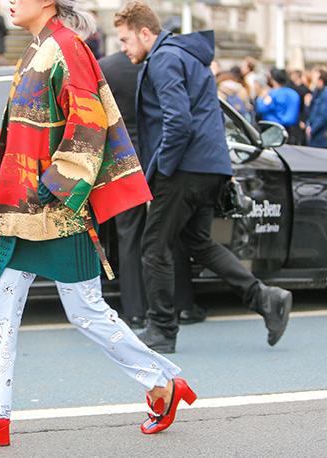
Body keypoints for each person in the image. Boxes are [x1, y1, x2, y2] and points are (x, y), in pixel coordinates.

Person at [0, 0, 196, 449]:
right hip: (22, 208)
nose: (8, 2)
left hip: (56, 210)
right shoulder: (41, 47)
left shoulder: (66, 46)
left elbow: (89, 121)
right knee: (0, 307)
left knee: (85, 311)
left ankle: (161, 382)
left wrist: (57, 184)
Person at [114, 1, 292, 354]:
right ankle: (265, 298)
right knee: (198, 242)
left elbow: (178, 121)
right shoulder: (188, 56)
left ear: (145, 33)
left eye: (125, 39)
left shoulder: (164, 59)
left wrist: (161, 170)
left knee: (154, 247)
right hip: (209, 167)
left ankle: (162, 330)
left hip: (182, 169)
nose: (123, 48)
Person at [98, 50, 200, 329]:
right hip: (161, 155)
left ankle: (135, 310)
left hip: (122, 156)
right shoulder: (165, 63)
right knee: (171, 229)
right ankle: (182, 304)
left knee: (129, 234)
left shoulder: (107, 67)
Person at [256, 68, 300, 144]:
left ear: (273, 80)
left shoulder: (273, 94)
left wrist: (261, 98)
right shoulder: (294, 93)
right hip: (291, 130)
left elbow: (262, 109)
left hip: (274, 129)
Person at [306, 68, 327, 149]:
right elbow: (312, 113)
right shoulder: (317, 93)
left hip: (324, 138)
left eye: (314, 78)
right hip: (318, 137)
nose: (313, 81)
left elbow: (323, 116)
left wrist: (312, 130)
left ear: (321, 81)